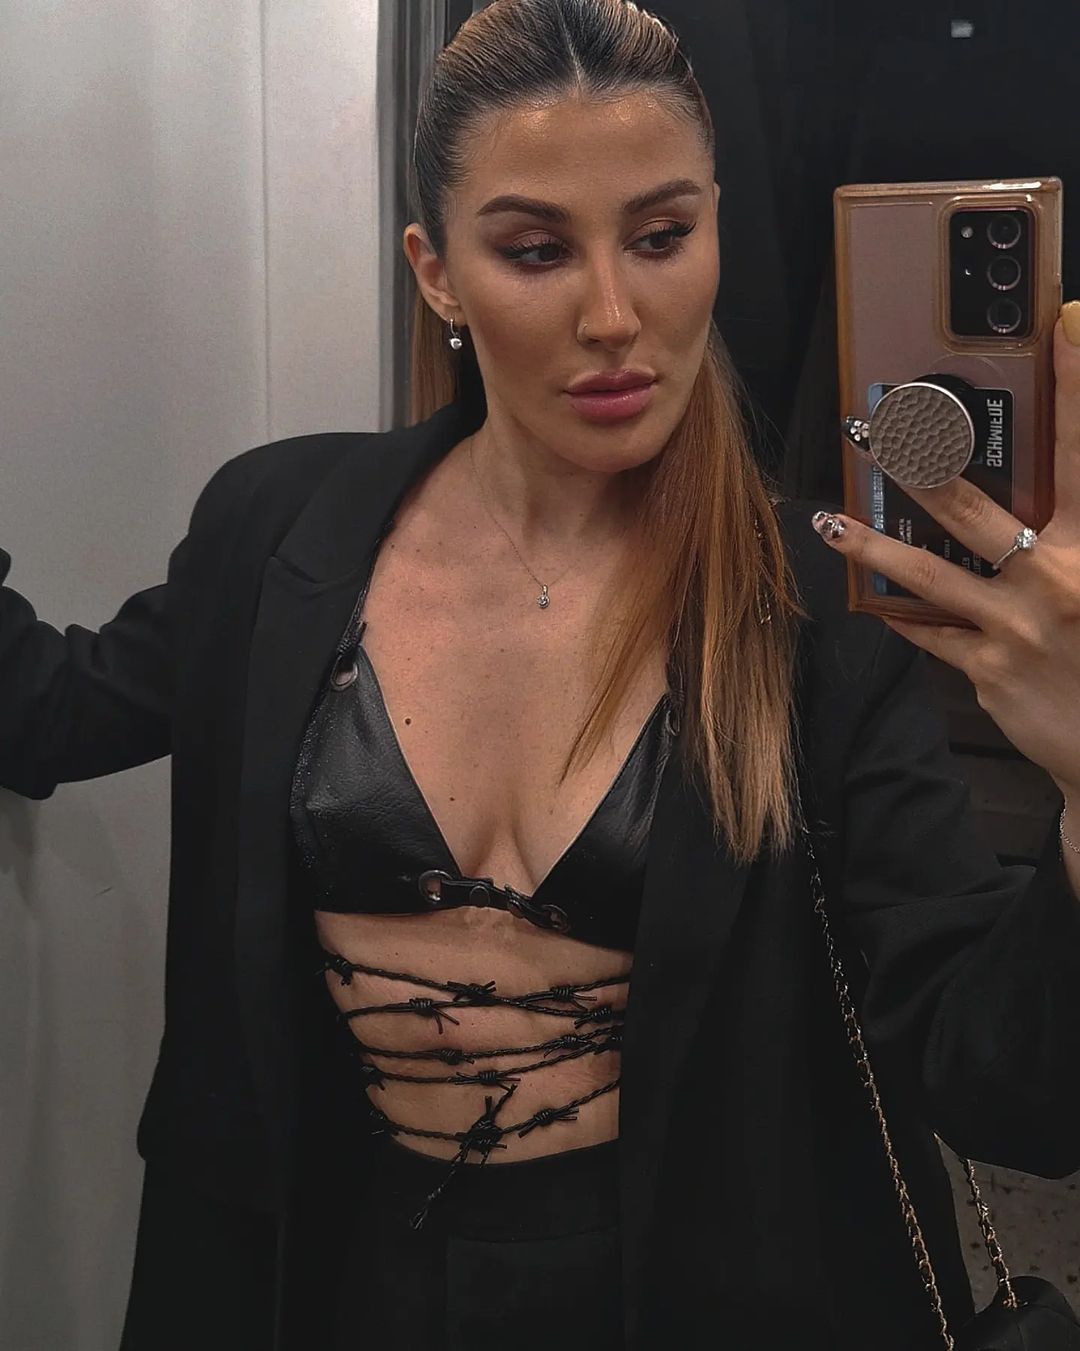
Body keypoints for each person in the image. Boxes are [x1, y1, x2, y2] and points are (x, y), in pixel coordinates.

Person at [3, 1, 1080, 1347]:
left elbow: (1005, 1089)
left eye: (662, 236)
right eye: (534, 250)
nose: (614, 316)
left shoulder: (813, 615)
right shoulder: (276, 534)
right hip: (332, 1282)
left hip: (699, 1300)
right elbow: (47, 712)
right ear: (437, 273)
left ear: (716, 230)